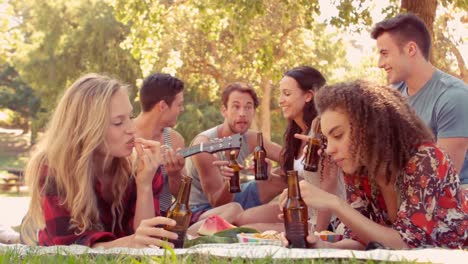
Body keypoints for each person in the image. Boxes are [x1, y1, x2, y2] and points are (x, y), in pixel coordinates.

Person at [280, 80, 468, 249]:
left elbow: (406, 244)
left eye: (337, 135)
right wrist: (319, 245)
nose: (329, 149)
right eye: (327, 139)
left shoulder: (426, 160)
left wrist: (334, 202)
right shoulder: (359, 169)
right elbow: (362, 240)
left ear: (369, 128)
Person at [20, 73, 179, 248]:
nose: (132, 130)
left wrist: (145, 185)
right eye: (118, 122)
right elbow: (70, 249)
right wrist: (129, 243)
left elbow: (148, 244)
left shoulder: (140, 167)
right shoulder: (54, 168)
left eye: (130, 117)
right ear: (86, 128)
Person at [232, 66, 344, 232]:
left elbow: (329, 184)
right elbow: (299, 180)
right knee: (243, 219)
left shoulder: (320, 128)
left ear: (308, 96)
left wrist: (318, 233)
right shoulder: (297, 133)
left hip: (326, 218)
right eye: (281, 94)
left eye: (287, 94)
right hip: (303, 210)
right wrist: (269, 176)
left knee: (248, 229)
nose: (281, 100)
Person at [371, 13, 468, 186]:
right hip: (409, 187)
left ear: (411, 49)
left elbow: (443, 178)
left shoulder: (454, 97)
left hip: (453, 197)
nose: (380, 63)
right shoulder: (394, 95)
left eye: (385, 53)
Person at [186, 82, 285, 225]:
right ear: (224, 110)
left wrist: (270, 175)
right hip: (202, 210)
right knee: (234, 210)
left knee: (286, 177)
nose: (242, 113)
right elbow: (217, 203)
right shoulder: (204, 145)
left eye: (248, 107)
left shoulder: (251, 138)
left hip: (235, 199)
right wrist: (230, 181)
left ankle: (317, 220)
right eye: (236, 106)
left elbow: (290, 160)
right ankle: (243, 222)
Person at [133, 73, 186, 215]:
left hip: (164, 218)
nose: (182, 109)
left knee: (233, 209)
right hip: (130, 221)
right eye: (179, 104)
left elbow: (182, 198)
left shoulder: (175, 140)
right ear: (162, 106)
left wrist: (175, 174)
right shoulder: (125, 135)